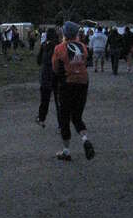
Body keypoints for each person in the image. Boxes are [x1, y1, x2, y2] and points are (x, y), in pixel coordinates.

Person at [51, 21, 95, 161]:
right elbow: (85, 60)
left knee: (64, 117)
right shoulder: (83, 47)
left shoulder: (59, 48)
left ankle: (66, 150)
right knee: (77, 116)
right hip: (83, 83)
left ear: (64, 34)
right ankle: (85, 139)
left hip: (67, 84)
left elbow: (55, 68)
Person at [35, 27, 59, 128]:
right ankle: (61, 124)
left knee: (44, 99)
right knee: (59, 102)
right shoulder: (58, 46)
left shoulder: (44, 45)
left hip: (45, 75)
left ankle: (41, 118)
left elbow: (38, 60)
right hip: (56, 75)